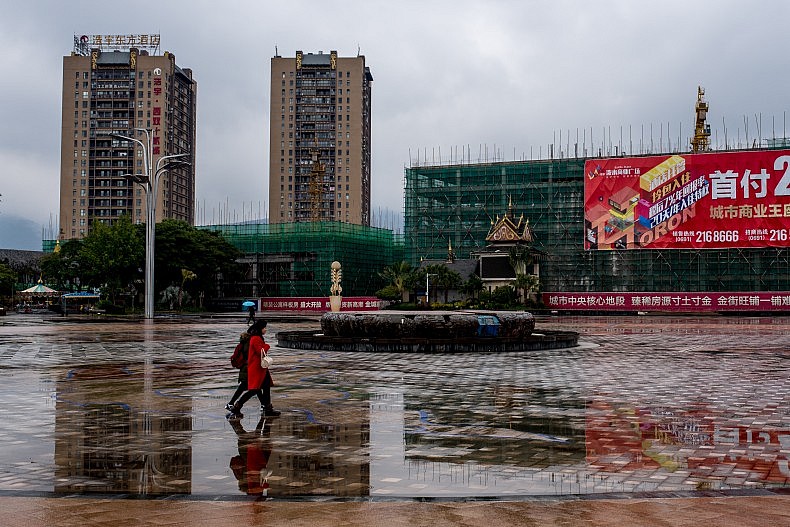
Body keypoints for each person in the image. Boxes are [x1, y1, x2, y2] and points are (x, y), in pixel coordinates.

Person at [228, 319, 281, 418]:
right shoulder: (256, 338)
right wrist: (267, 346)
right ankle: (236, 407)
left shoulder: (257, 337)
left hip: (261, 368)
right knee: (254, 390)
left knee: (266, 388)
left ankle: (268, 408)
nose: (266, 330)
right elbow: (260, 351)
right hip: (257, 369)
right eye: (264, 328)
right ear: (260, 329)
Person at [228, 415, 272, 496]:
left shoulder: (247, 479)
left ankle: (264, 418)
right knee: (244, 433)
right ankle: (264, 418)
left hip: (250, 455)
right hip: (251, 454)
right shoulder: (245, 480)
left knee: (244, 434)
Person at [225, 331, 266, 412]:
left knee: (251, 387)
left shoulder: (240, 344)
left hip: (244, 368)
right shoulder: (248, 344)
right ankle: (233, 404)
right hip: (248, 369)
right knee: (254, 388)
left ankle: (263, 404)